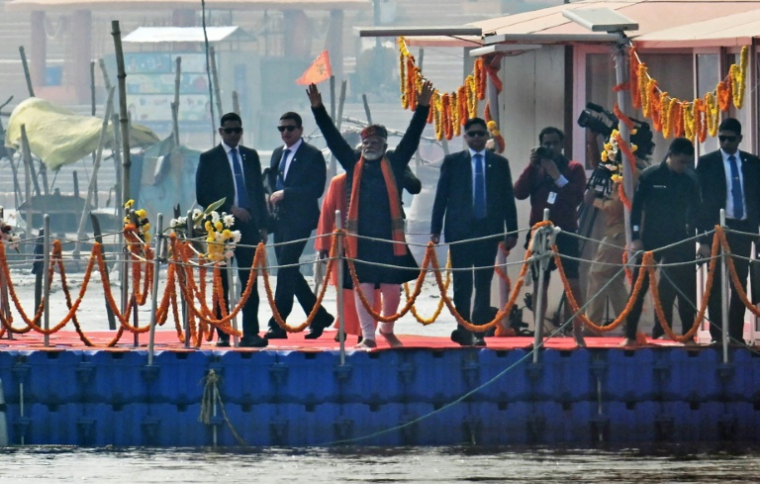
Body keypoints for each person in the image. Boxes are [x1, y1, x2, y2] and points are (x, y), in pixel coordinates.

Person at [306, 80, 433, 349]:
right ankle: (368, 336)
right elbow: (333, 138)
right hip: (360, 240)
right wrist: (318, 109)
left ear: (385, 145)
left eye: (376, 142)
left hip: (391, 239)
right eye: (367, 142)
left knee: (392, 291)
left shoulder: (396, 162)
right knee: (362, 289)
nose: (370, 145)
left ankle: (386, 329)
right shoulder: (353, 164)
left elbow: (412, 136)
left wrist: (423, 107)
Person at [431, 117, 518, 347]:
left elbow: (507, 198)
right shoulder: (453, 162)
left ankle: (480, 330)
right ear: (465, 137)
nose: (477, 137)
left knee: (483, 282)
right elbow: (441, 197)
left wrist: (513, 231)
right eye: (472, 134)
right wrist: (435, 229)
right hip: (459, 232)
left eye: (481, 133)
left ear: (487, 137)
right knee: (461, 284)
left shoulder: (499, 164)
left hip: (488, 232)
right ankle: (463, 328)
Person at [195, 112, 269, 348]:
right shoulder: (209, 158)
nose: (234, 134)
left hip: (248, 227)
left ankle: (250, 332)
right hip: (221, 228)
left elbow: (258, 191)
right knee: (221, 283)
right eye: (229, 131)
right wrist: (231, 209)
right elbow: (203, 196)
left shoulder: (250, 156)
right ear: (221, 132)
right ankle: (223, 332)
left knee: (249, 281)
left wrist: (263, 225)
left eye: (238, 130)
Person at [621, 137, 701, 347]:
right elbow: (636, 210)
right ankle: (630, 335)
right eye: (680, 162)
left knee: (685, 289)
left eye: (686, 163)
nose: (683, 166)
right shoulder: (650, 176)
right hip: (651, 238)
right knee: (639, 287)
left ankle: (688, 336)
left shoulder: (689, 180)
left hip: (679, 239)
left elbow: (696, 214)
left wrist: (701, 240)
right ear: (671, 155)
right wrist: (636, 238)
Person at [264, 111, 334, 340]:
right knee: (287, 269)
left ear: (300, 130)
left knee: (286, 267)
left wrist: (287, 193)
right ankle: (318, 316)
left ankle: (278, 322)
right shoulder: (277, 154)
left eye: (290, 128)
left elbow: (316, 189)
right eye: (281, 129)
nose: (285, 132)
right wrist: (269, 193)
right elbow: (269, 179)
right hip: (279, 220)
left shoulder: (312, 155)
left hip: (300, 220)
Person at [513, 127, 587, 345]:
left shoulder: (574, 168)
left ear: (562, 144)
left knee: (572, 284)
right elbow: (518, 192)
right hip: (539, 233)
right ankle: (539, 335)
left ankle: (577, 331)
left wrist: (557, 175)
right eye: (546, 143)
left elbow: (576, 198)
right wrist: (531, 165)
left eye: (554, 143)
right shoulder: (535, 169)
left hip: (565, 232)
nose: (551, 147)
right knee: (539, 284)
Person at [697, 118, 760, 345]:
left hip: (743, 229)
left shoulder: (753, 163)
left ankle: (735, 336)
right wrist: (703, 238)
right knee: (714, 283)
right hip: (717, 229)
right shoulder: (707, 163)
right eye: (721, 138)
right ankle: (716, 335)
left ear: (740, 139)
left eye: (730, 139)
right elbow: (699, 204)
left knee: (740, 283)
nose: (724, 142)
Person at [583, 129, 629, 325]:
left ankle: (592, 325)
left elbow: (616, 207)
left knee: (598, 273)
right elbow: (599, 167)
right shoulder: (618, 170)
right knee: (614, 281)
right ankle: (630, 324)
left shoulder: (628, 172)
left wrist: (595, 201)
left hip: (619, 233)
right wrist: (592, 139)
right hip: (618, 233)